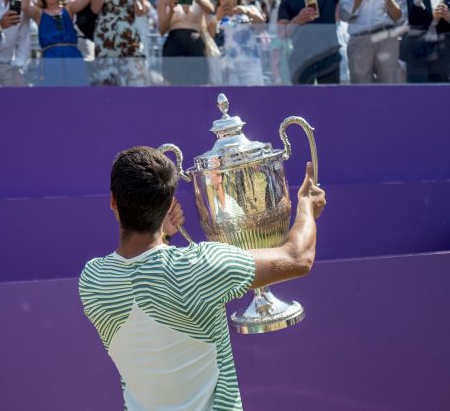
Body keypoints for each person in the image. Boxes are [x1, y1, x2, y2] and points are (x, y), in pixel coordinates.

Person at [79, 146, 325, 410]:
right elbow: (297, 258)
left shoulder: (93, 280)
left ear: (113, 201)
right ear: (170, 203)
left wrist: (163, 235)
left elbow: (146, 279)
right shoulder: (201, 267)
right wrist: (307, 208)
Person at [22, 0, 91, 86]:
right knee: (53, 98)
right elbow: (24, 6)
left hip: (72, 57)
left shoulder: (68, 8)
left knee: (77, 96)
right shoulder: (39, 13)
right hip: (50, 59)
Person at [156, 0, 214, 85]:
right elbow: (161, 30)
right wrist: (171, 9)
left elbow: (211, 10)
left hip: (196, 46)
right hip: (173, 46)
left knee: (198, 87)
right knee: (173, 89)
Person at [210, 0, 266, 85]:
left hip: (250, 64)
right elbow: (209, 38)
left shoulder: (250, 9)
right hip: (226, 66)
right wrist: (217, 18)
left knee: (255, 99)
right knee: (231, 100)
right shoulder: (213, 16)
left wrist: (245, 11)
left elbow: (261, 27)